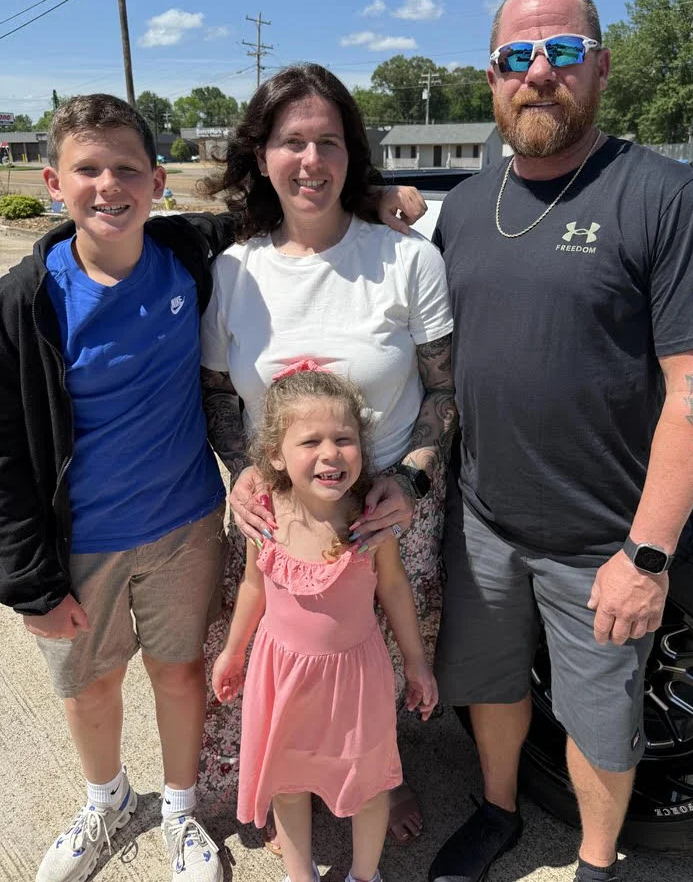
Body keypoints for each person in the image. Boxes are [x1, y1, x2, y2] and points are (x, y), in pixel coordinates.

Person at [428, 0, 693, 882]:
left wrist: (647, 556)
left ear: (600, 67)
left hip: (602, 536)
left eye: (563, 51)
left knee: (602, 722)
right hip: (482, 522)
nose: (539, 73)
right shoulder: (464, 207)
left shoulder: (666, 196)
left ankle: (595, 863)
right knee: (491, 686)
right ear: (492, 79)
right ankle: (497, 811)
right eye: (517, 56)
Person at [198, 62, 456, 846]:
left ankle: (380, 776)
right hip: (279, 511)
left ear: (353, 154)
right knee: (287, 654)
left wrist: (410, 480)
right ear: (261, 155)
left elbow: (446, 390)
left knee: (382, 660)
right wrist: (244, 469)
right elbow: (217, 394)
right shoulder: (234, 269)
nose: (311, 160)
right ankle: (292, 779)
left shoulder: (407, 258)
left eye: (329, 142)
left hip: (388, 507)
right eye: (292, 141)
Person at [0, 95, 236, 882]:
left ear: (158, 181)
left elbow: (281, 210)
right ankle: (108, 801)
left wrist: (377, 195)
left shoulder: (187, 254)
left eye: (128, 168)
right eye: (88, 169)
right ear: (53, 182)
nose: (109, 186)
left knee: (179, 672)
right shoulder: (23, 303)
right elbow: (4, 454)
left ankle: (179, 810)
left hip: (184, 524)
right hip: (79, 544)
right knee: (90, 686)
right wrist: (29, 583)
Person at [211, 365, 439, 882]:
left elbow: (394, 589)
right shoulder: (264, 514)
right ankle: (300, 874)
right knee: (288, 783)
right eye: (310, 441)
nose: (330, 453)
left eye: (344, 439)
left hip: (356, 681)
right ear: (275, 454)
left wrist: (417, 663)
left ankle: (365, 874)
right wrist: (233, 651)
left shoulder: (371, 516)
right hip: (282, 677)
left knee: (369, 783)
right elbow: (253, 587)